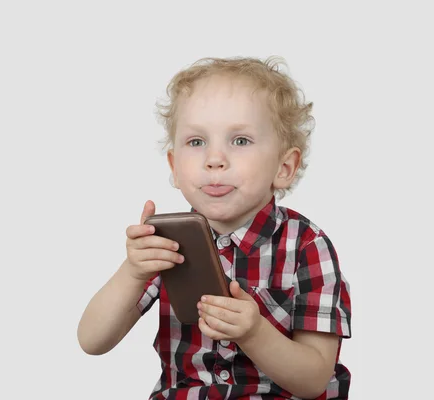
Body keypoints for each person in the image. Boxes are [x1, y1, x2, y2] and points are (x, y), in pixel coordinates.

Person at [77, 56, 352, 400]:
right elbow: (92, 340)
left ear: (284, 167)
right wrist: (133, 271)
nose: (214, 158)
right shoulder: (167, 243)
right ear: (175, 168)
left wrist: (254, 334)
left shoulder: (306, 246)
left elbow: (313, 380)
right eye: (196, 142)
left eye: (240, 140)